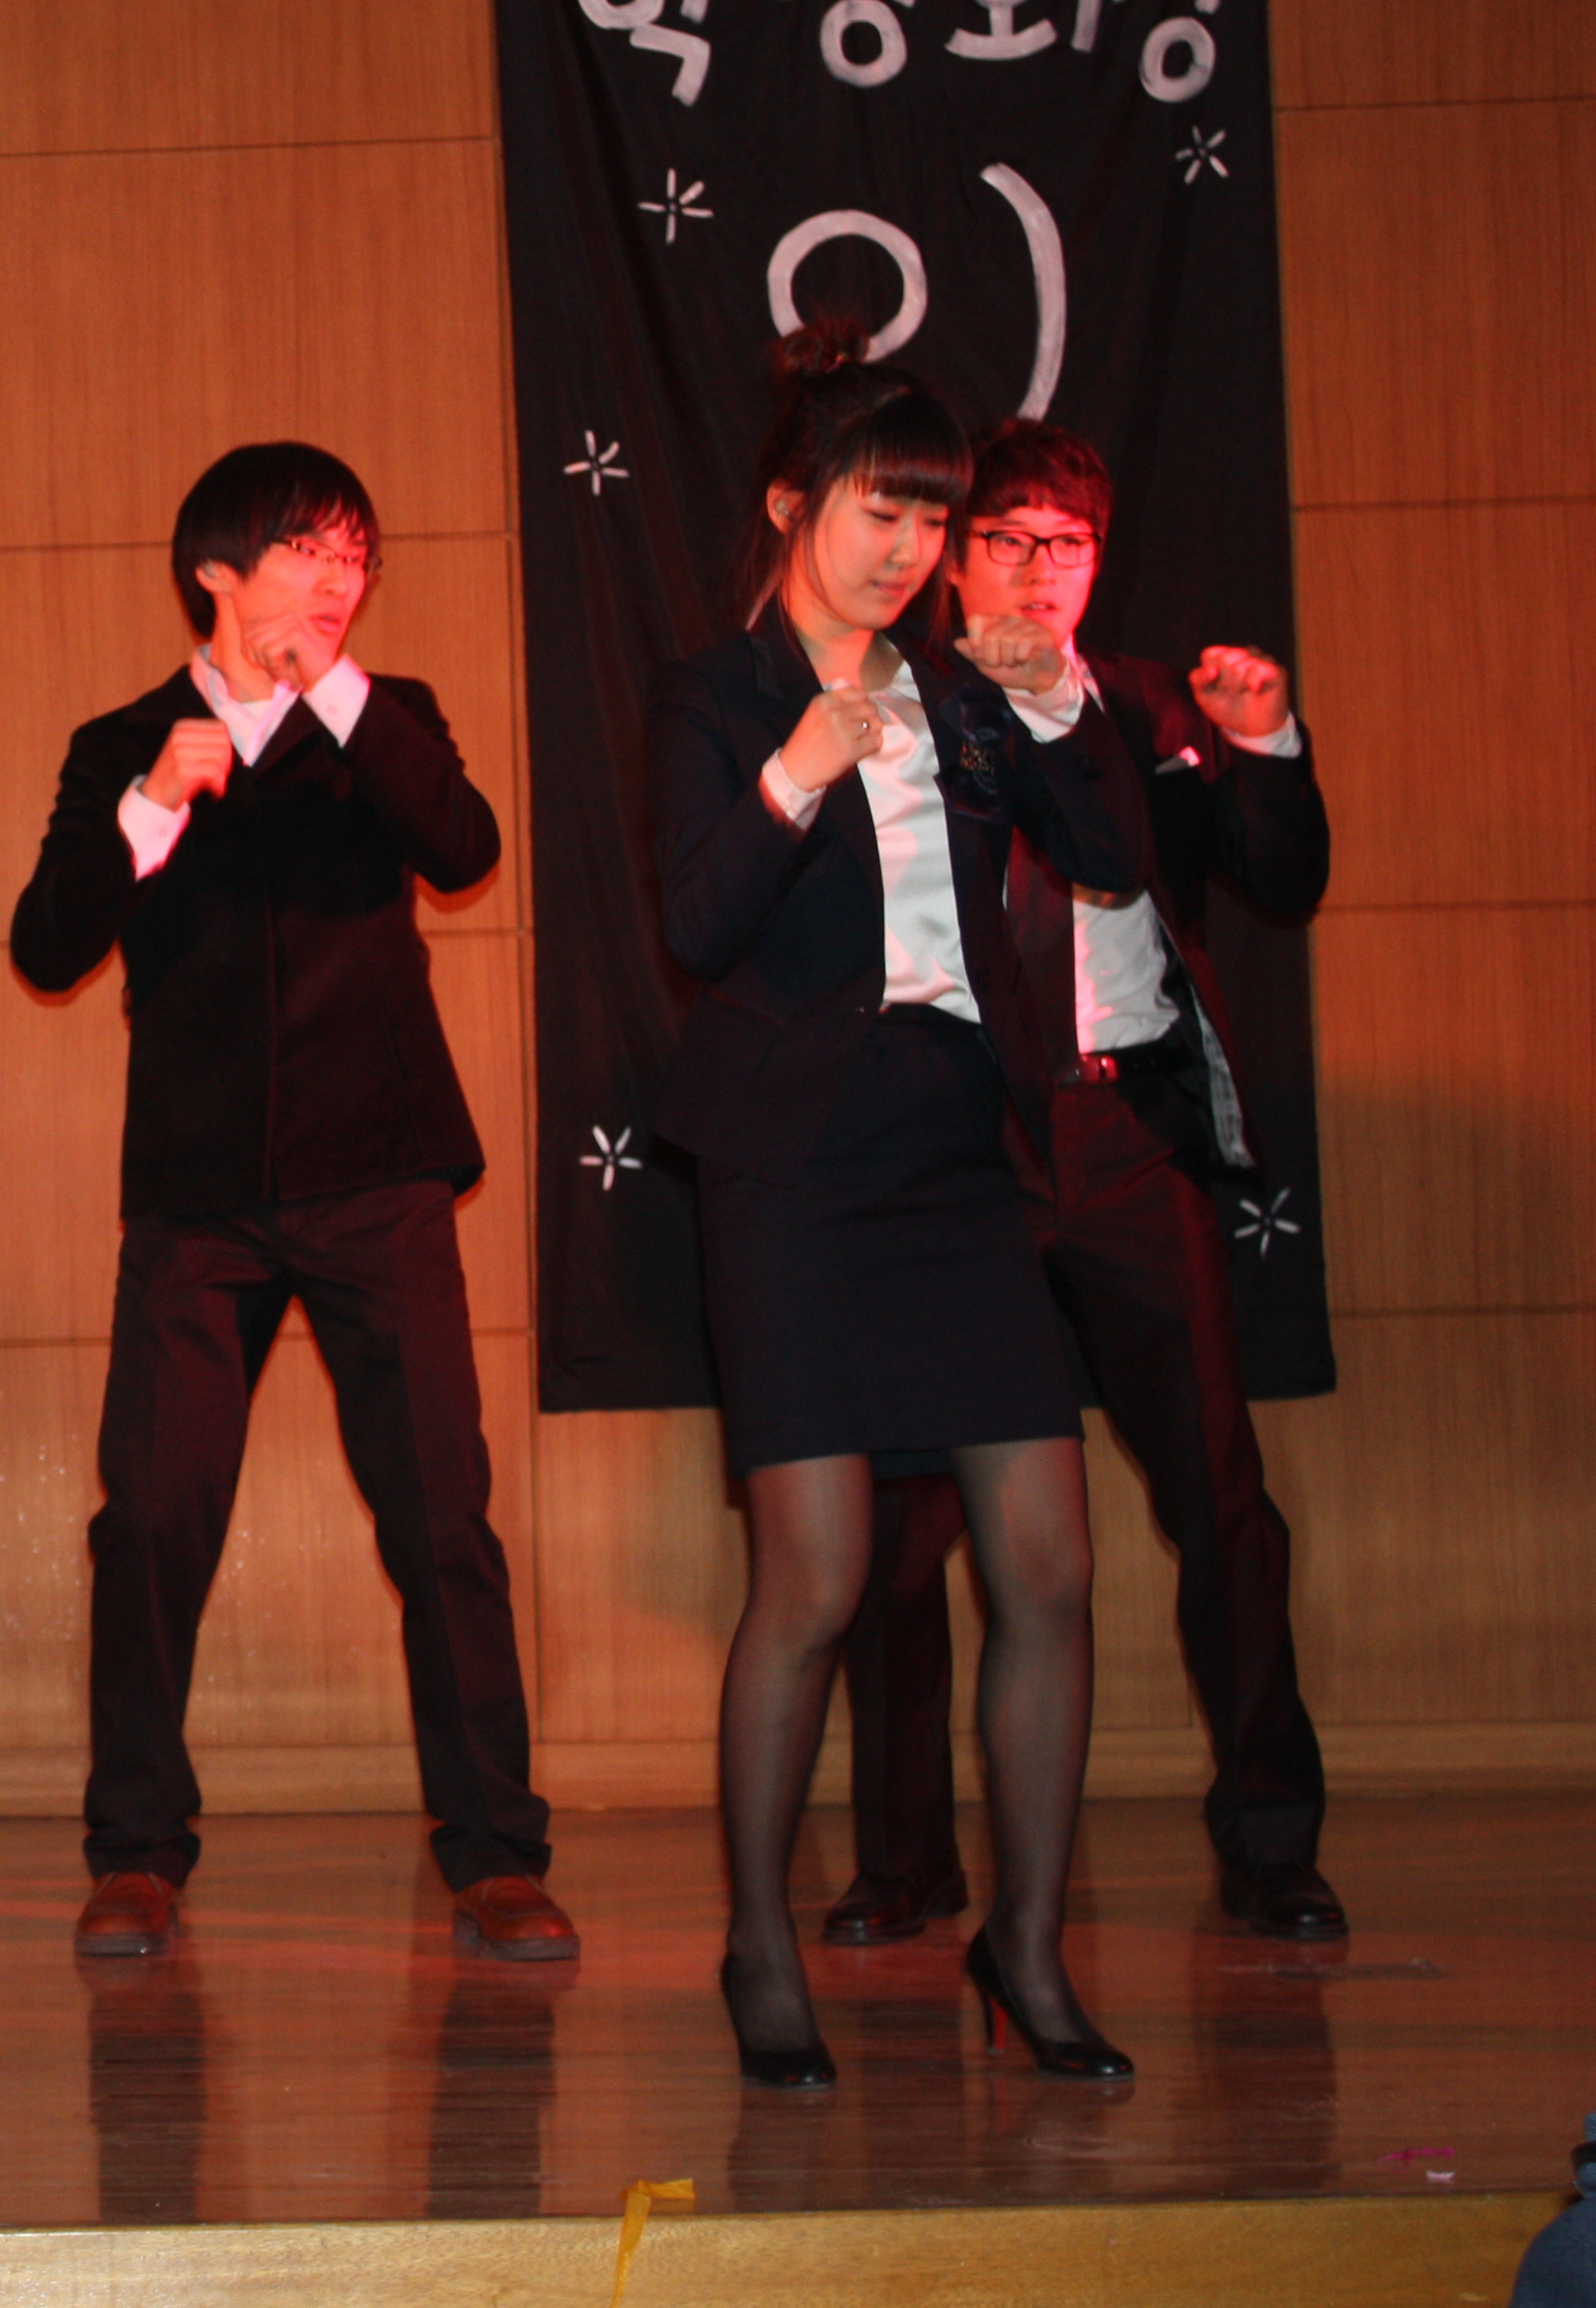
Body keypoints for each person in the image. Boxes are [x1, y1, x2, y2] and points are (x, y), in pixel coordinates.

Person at [643, 330, 1140, 2090]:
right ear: (794, 506)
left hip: (953, 1151)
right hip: (792, 1169)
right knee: (819, 1575)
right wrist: (796, 767)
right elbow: (696, 925)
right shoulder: (713, 696)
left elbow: (1111, 849)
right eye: (882, 511)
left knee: (1051, 1564)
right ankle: (759, 1942)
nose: (910, 550)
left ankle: (1028, 1947)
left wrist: (1053, 692)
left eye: (934, 520)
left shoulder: (967, 686)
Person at [7, 441, 572, 1965]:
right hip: (196, 1198)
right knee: (152, 1521)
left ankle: (497, 1853)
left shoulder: (388, 719)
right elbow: (46, 945)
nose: (336, 580)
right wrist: (148, 807)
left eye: (353, 556)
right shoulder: (123, 742)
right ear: (217, 567)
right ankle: (136, 1851)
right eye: (306, 551)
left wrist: (340, 700)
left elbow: (464, 845)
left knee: (441, 1514)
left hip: (377, 1176)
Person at [823, 419, 1341, 1948]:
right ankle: (906, 1860)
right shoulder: (888, 704)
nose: (1039, 571)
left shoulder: (1144, 705)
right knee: (906, 1522)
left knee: (1223, 1506)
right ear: (951, 556)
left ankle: (1272, 1842)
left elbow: (1279, 877)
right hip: (957, 1145)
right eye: (1008, 540)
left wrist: (1263, 741)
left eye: (1069, 545)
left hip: (1122, 1140)